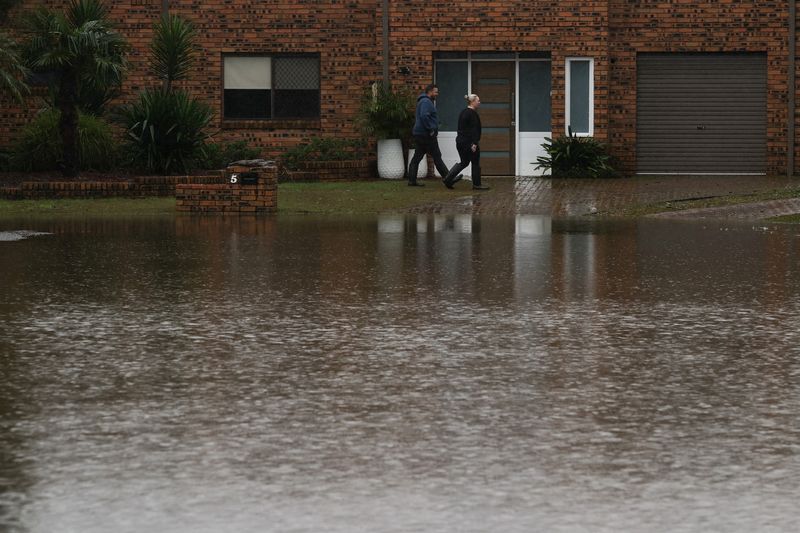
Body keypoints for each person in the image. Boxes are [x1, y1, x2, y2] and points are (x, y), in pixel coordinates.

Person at [407, 84, 458, 187]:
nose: (437, 94)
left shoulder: (423, 101)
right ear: (430, 92)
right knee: (437, 156)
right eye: (436, 92)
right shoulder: (426, 101)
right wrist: (430, 129)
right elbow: (424, 116)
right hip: (426, 134)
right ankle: (448, 178)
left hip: (420, 134)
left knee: (417, 157)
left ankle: (412, 181)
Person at [443, 94, 489, 190]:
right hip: (469, 143)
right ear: (472, 102)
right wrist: (474, 143)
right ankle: (477, 184)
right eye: (478, 101)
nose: (479, 102)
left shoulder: (463, 112)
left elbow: (462, 129)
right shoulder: (472, 114)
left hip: (460, 142)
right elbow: (474, 130)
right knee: (475, 162)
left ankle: (448, 178)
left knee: (464, 162)